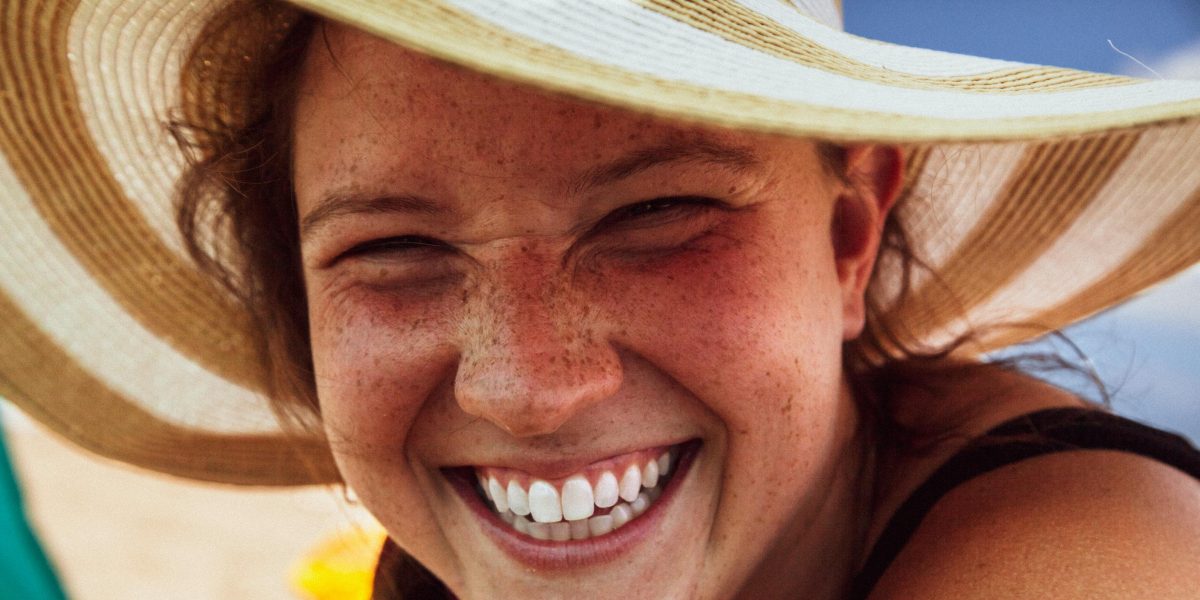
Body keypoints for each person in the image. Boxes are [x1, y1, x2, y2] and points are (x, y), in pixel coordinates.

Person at [2, 1, 1199, 598]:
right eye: (395, 250)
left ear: (848, 236)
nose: (527, 388)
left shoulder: (1096, 551)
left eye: (655, 216)